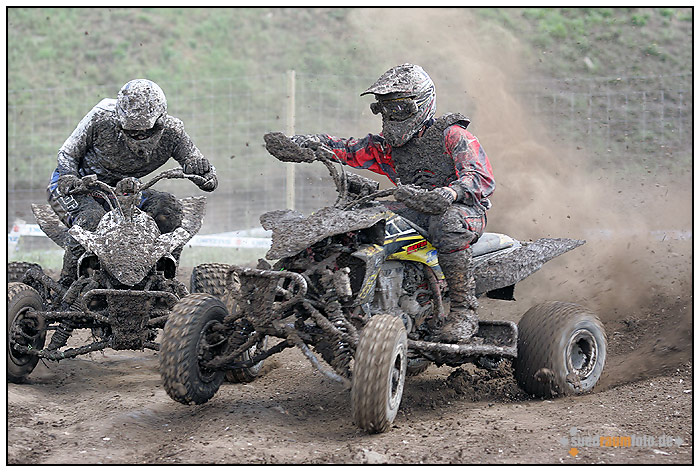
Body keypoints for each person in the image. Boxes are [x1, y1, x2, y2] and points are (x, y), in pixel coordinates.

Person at [289, 64, 495, 343]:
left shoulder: (452, 135)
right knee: (357, 218)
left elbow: (481, 179)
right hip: (414, 207)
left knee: (448, 223)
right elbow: (347, 148)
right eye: (384, 108)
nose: (390, 114)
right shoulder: (385, 146)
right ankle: (343, 299)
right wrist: (307, 145)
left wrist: (451, 192)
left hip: (463, 209)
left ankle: (463, 311)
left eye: (399, 108)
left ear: (422, 104)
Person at [47, 78, 218, 287]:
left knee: (168, 208)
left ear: (160, 121)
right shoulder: (100, 118)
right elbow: (67, 153)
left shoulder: (173, 133)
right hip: (80, 185)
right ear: (119, 120)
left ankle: (162, 279)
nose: (138, 136)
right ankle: (67, 284)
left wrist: (200, 169)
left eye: (145, 131)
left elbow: (206, 175)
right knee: (91, 219)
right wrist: (68, 176)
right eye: (130, 131)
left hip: (124, 190)